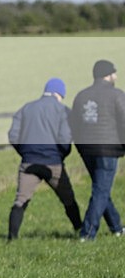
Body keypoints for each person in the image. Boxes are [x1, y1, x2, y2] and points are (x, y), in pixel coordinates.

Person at [7, 78, 82, 240]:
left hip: (29, 163)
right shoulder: (63, 111)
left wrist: (25, 152)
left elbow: (13, 136)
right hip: (53, 163)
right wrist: (61, 155)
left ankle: (12, 238)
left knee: (21, 200)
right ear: (59, 94)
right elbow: (64, 139)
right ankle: (80, 231)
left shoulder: (26, 109)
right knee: (68, 199)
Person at [70, 59, 125, 241]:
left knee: (101, 188)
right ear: (107, 75)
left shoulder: (81, 96)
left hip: (86, 149)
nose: (116, 76)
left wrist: (79, 147)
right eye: (114, 73)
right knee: (101, 190)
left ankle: (117, 227)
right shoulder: (117, 95)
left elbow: (74, 125)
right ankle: (88, 233)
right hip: (108, 149)